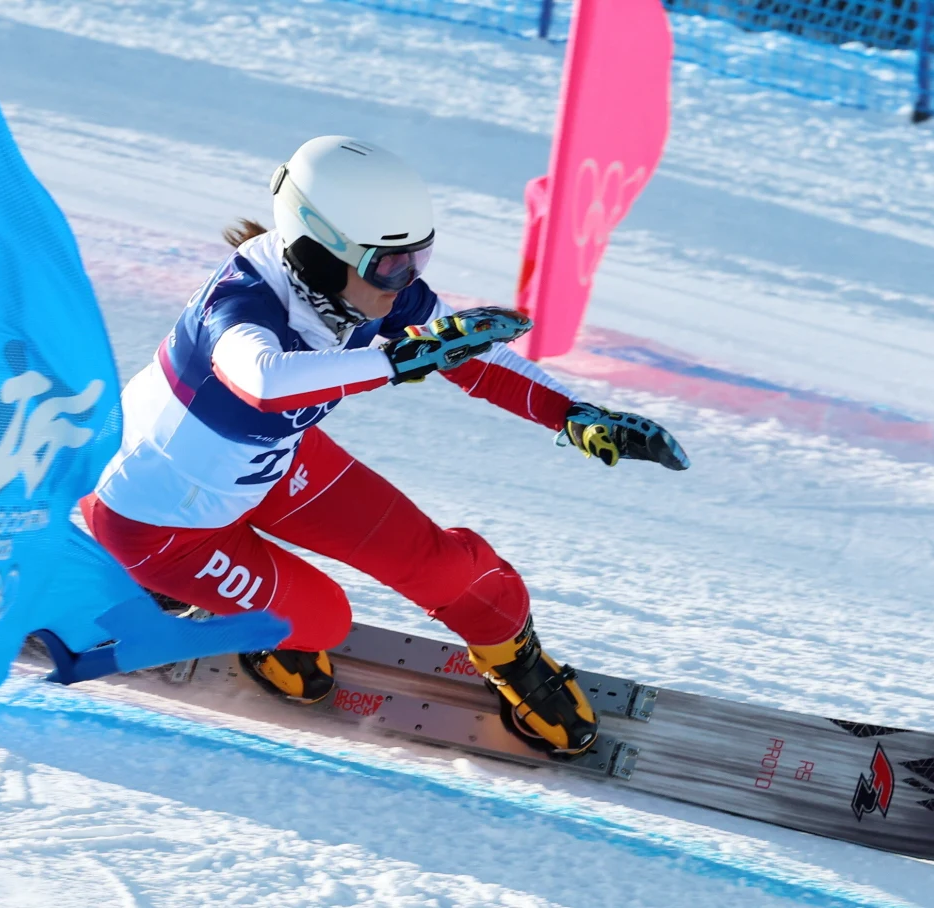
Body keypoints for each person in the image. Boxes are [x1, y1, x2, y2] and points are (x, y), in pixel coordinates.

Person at [80, 136, 689, 756]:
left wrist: (575, 413)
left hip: (267, 466)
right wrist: (395, 360)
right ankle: (178, 594)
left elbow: (470, 357)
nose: (406, 283)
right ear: (317, 255)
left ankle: (512, 654)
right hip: (160, 527)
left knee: (442, 565)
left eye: (416, 259)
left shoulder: (363, 289)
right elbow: (262, 382)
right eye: (390, 265)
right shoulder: (237, 307)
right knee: (323, 621)